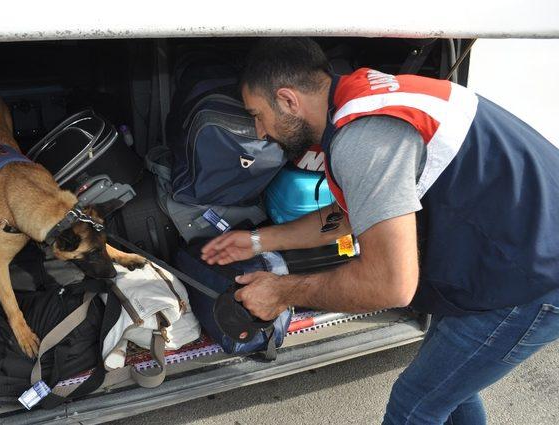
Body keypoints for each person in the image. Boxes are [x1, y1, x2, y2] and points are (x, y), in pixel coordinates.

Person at [200, 38, 559, 425]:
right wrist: (256, 240)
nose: (259, 130)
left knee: (415, 403)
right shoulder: (362, 95)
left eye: (258, 114)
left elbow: (390, 285)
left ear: (288, 101)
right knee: (449, 389)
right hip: (507, 256)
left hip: (532, 279)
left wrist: (280, 292)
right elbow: (355, 213)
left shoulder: (363, 139)